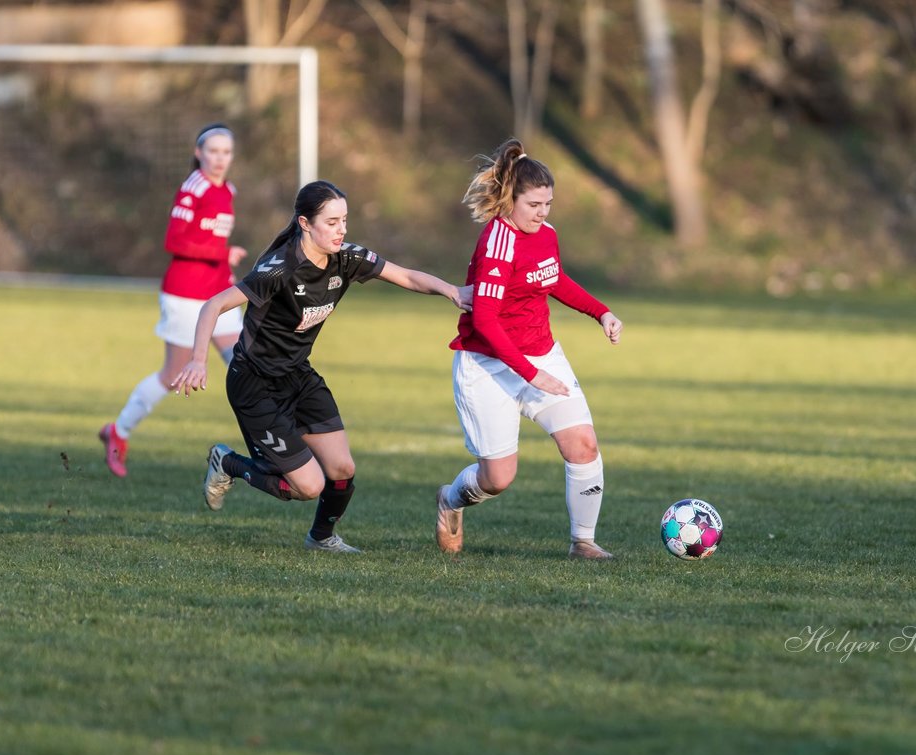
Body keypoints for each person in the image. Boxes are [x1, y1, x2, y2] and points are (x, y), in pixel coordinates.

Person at [170, 180, 471, 553]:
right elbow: (212, 306)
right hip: (255, 385)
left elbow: (406, 275)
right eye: (332, 222)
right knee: (306, 487)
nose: (341, 230)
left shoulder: (347, 257)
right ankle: (228, 463)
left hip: (298, 376)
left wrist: (452, 291)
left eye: (344, 220)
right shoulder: (277, 270)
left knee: (343, 469)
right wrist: (199, 360)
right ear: (305, 223)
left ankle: (321, 537)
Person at [434, 139, 623, 560]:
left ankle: (584, 542)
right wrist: (531, 374)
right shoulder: (497, 242)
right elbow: (484, 321)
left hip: (540, 354)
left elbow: (553, 279)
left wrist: (601, 313)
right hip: (488, 364)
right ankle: (450, 498)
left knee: (583, 444)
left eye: (548, 204)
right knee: (498, 478)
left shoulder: (545, 234)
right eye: (534, 204)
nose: (543, 213)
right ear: (510, 200)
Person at [99, 123, 249, 477]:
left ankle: (280, 446)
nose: (218, 158)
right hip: (186, 295)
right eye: (212, 151)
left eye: (225, 152)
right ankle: (118, 432)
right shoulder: (192, 188)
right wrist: (222, 252)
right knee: (172, 375)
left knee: (246, 365)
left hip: (220, 293)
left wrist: (223, 261)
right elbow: (175, 241)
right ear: (198, 153)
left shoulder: (228, 190)